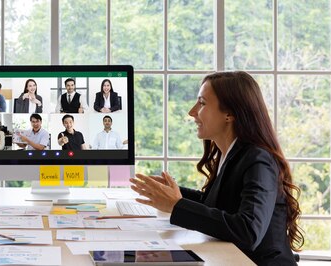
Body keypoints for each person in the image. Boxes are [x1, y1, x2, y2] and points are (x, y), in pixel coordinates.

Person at [129, 71, 303, 265]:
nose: (192, 112)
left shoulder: (258, 161)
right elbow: (217, 204)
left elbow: (248, 231)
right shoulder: (230, 153)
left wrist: (176, 205)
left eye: (202, 103)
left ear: (229, 114)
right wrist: (170, 194)